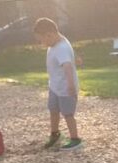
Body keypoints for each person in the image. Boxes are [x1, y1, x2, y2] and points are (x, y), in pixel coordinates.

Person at [33, 18, 83, 151]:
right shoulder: (58, 41)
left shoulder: (61, 47)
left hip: (65, 88)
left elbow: (67, 66)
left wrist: (71, 86)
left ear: (49, 35)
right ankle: (55, 134)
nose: (42, 43)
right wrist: (76, 57)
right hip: (55, 86)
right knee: (53, 110)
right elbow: (69, 51)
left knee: (68, 114)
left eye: (42, 40)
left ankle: (75, 139)